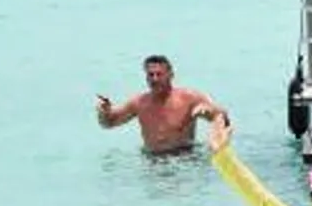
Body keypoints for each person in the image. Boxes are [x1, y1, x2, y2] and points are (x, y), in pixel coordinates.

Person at [96, 55, 225, 155]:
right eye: (150, 75)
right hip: (152, 160)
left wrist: (217, 138)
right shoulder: (139, 103)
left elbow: (220, 115)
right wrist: (103, 112)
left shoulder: (190, 98)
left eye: (159, 74)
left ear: (171, 75)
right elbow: (109, 123)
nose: (155, 79)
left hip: (184, 158)